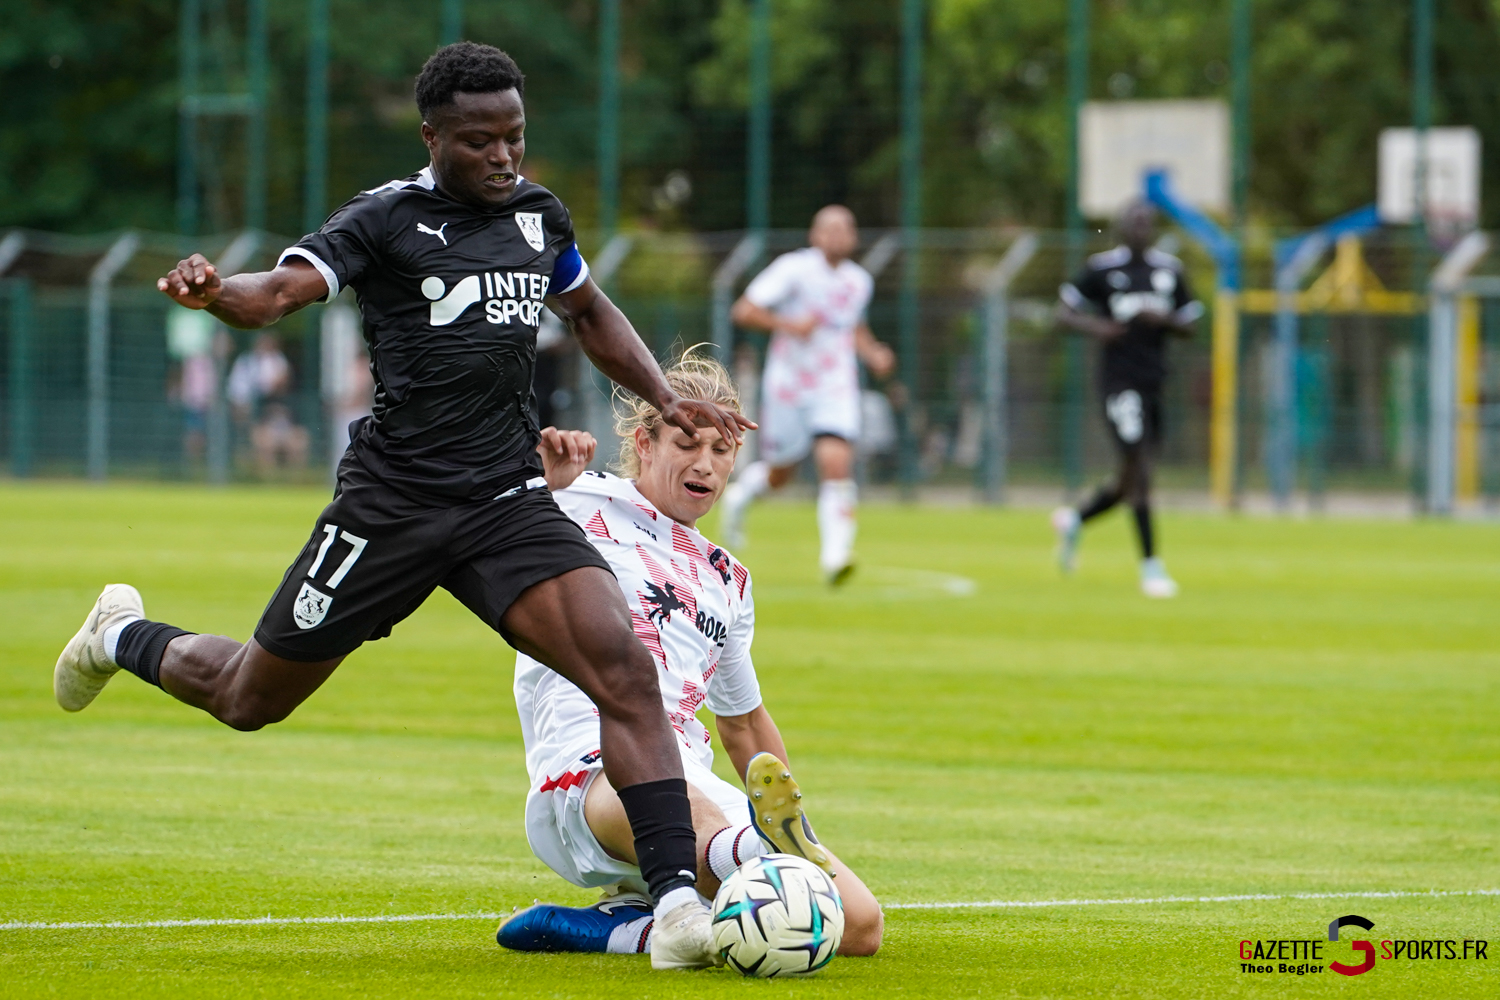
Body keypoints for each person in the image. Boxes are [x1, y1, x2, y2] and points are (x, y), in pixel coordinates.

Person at [52, 42, 752, 971]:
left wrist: (667, 400)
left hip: (504, 498)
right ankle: (121, 635)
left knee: (621, 667)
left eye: (514, 137)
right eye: (479, 142)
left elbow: (589, 314)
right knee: (249, 698)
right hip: (391, 506)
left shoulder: (540, 220)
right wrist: (220, 293)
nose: (503, 158)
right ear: (433, 138)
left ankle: (672, 910)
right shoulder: (384, 219)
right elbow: (281, 294)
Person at [496, 353, 882, 957]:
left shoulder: (728, 579)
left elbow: (744, 724)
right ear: (643, 442)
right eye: (687, 442)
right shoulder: (576, 501)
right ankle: (750, 850)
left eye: (722, 451)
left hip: (692, 773)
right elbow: (471, 515)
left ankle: (622, 926)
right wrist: (535, 481)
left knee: (855, 927)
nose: (706, 465)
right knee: (725, 847)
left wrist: (789, 809)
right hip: (591, 764)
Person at [719, 206, 895, 584]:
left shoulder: (859, 281)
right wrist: (788, 325)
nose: (837, 235)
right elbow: (744, 310)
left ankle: (836, 555)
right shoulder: (793, 269)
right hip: (789, 385)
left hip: (835, 384)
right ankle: (741, 496)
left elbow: (854, 328)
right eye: (828, 228)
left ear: (854, 236)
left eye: (845, 228)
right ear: (814, 235)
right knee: (782, 473)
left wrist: (873, 352)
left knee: (835, 461)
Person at [1052, 201, 1202, 598]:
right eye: (1133, 223)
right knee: (1140, 470)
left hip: (1155, 383)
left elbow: (1193, 323)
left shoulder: (1169, 271)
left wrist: (1164, 321)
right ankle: (1151, 567)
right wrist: (1097, 327)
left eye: (1146, 224)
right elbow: (1062, 314)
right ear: (1119, 228)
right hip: (1118, 385)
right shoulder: (1102, 270)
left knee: (1130, 478)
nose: (1140, 229)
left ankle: (1076, 519)